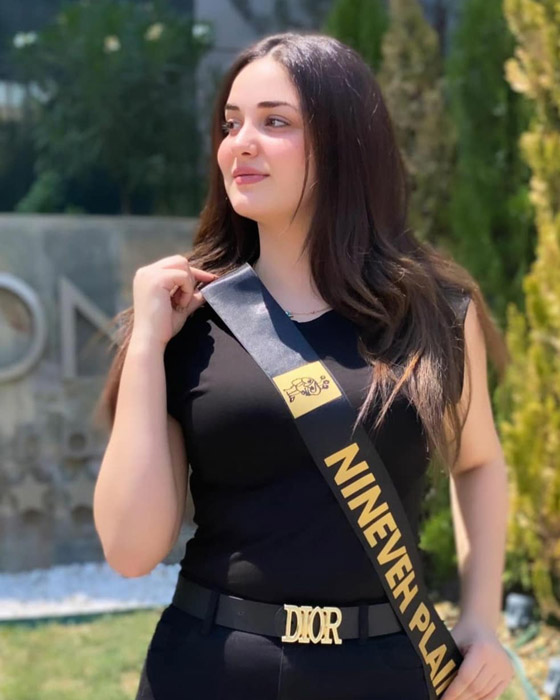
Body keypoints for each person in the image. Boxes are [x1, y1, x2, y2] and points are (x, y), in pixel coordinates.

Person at [93, 31, 515, 700]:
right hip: (211, 667)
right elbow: (129, 550)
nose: (241, 143)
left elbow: (480, 462)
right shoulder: (184, 319)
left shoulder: (434, 314)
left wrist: (482, 619)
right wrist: (146, 344)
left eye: (275, 122)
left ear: (346, 143)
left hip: (384, 670)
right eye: (231, 124)